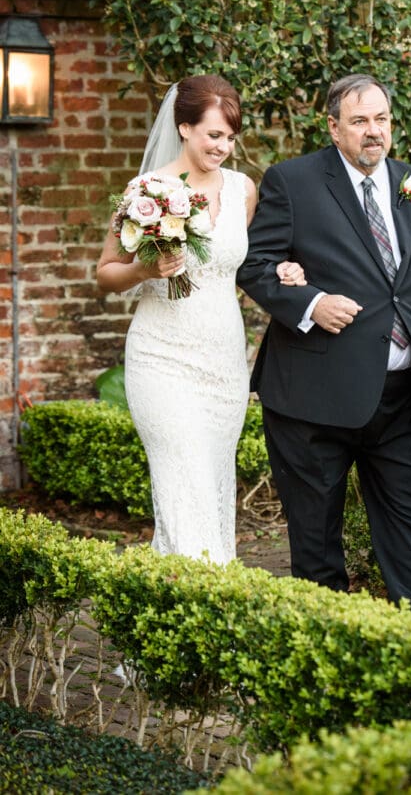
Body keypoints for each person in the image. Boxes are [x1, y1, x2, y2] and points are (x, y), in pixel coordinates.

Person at [237, 73, 411, 613]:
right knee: (317, 552)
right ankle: (329, 674)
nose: (372, 131)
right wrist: (310, 303)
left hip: (401, 398)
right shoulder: (293, 181)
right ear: (334, 128)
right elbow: (255, 266)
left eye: (381, 119)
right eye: (359, 121)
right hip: (314, 402)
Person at [97, 75, 304, 564]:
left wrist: (283, 268)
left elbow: (247, 262)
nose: (224, 147)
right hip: (162, 357)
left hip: (223, 361)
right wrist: (144, 269)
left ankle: (174, 608)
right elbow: (105, 274)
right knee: (181, 482)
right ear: (184, 127)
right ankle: (211, 595)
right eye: (214, 135)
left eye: (231, 137)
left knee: (209, 485)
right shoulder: (145, 192)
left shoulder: (242, 190)